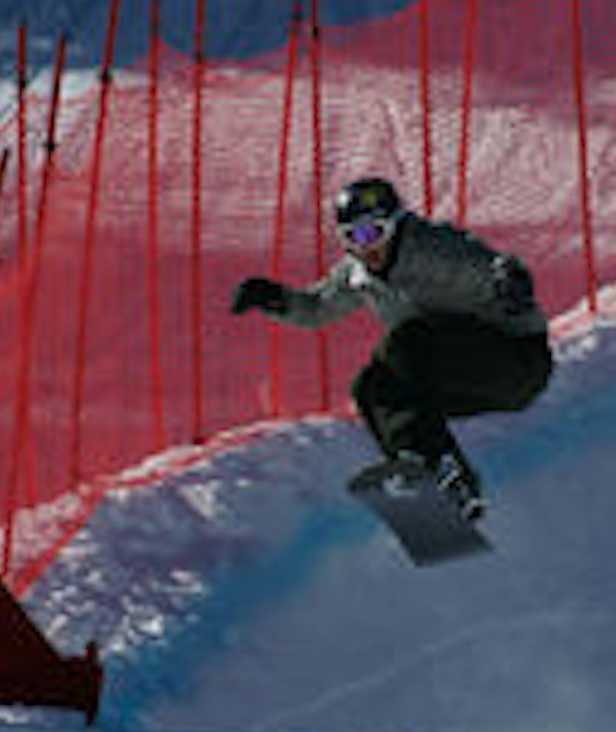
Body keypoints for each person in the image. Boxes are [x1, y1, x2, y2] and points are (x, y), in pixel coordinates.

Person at [230, 175, 552, 519]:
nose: (365, 247)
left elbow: (487, 265)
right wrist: (274, 299)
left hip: (514, 360)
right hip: (460, 374)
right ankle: (435, 478)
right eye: (351, 237)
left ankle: (434, 463)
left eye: (373, 232)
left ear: (395, 225)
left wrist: (511, 279)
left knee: (406, 342)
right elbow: (318, 307)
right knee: (372, 389)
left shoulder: (431, 249)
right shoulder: (359, 273)